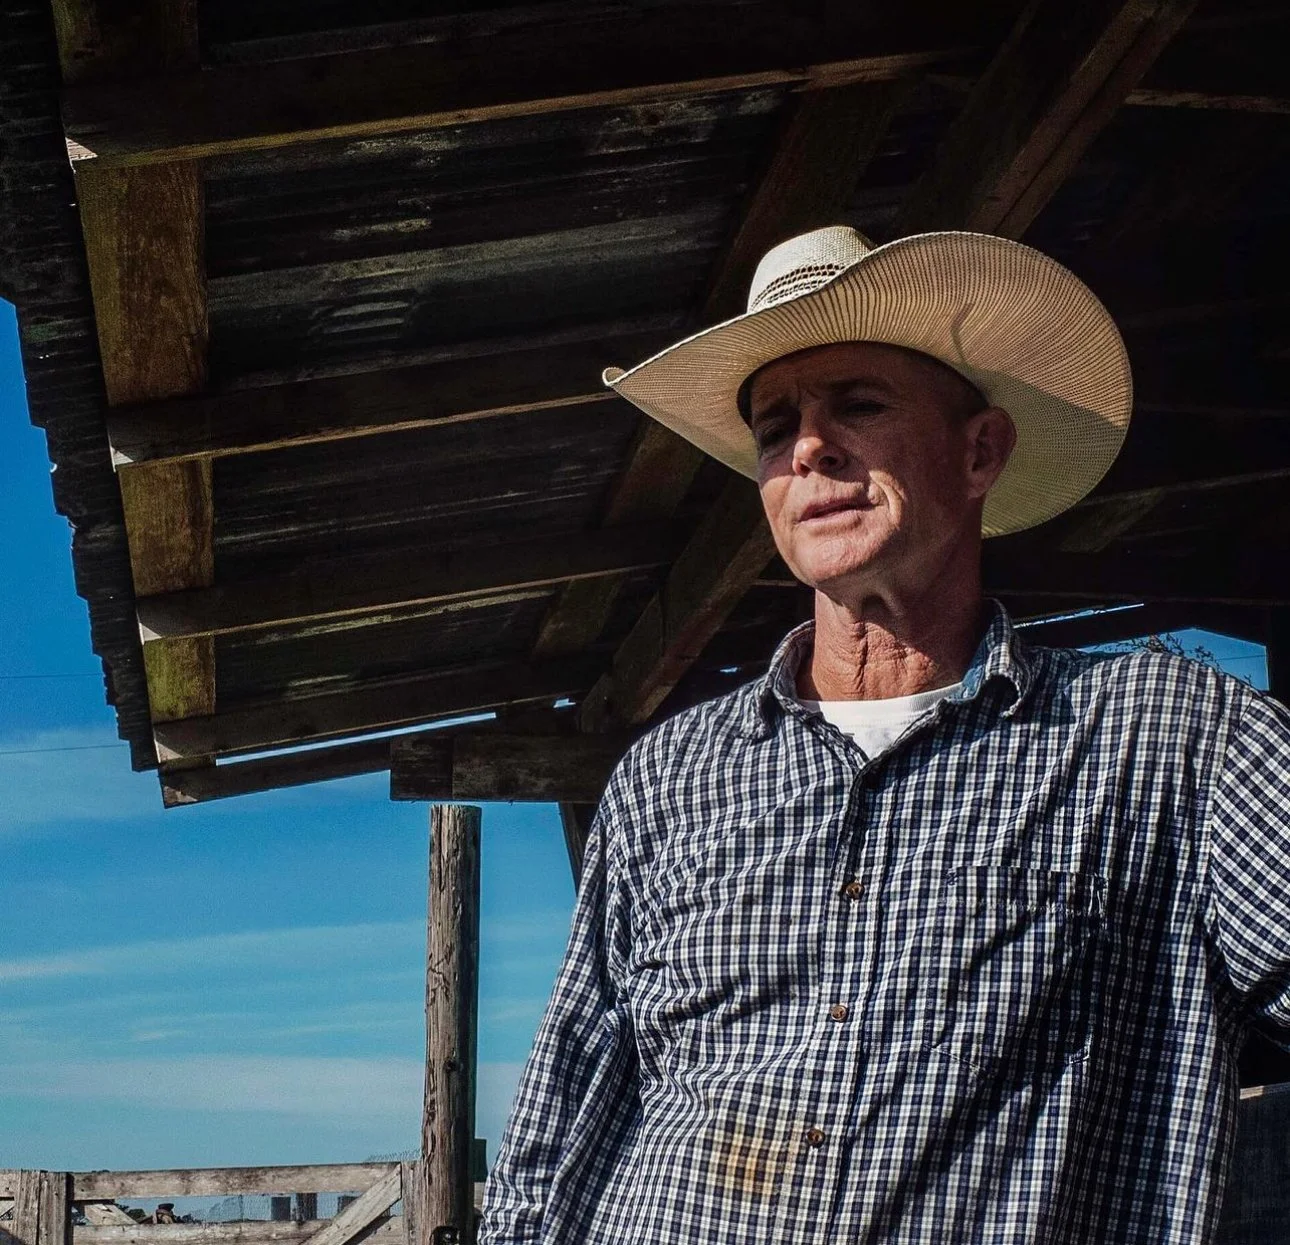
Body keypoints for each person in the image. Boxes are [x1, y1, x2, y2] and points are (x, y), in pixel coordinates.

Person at [478, 226, 1290, 1243]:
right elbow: (570, 1110)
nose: (809, 446)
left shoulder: (1175, 740)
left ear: (979, 449)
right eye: (776, 428)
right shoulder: (671, 775)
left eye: (858, 405)